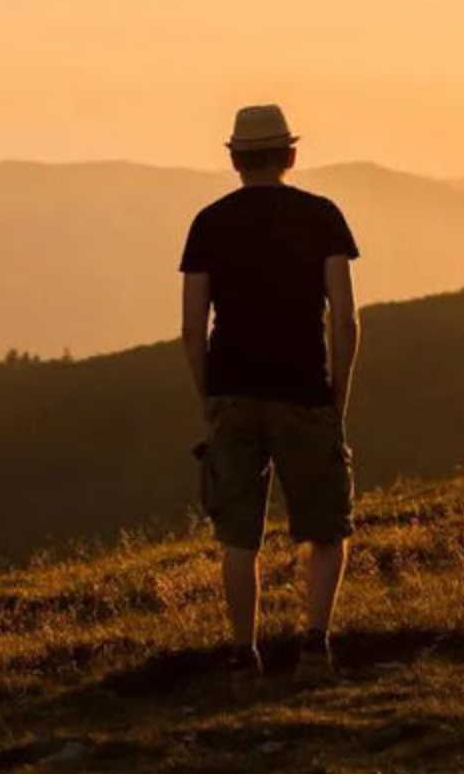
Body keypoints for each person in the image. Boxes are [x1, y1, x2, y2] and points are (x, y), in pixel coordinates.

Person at [179, 103, 360, 690]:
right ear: (290, 155)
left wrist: (212, 397)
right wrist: (337, 399)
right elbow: (346, 321)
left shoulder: (208, 223)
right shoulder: (323, 217)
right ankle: (313, 647)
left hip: (232, 391)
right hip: (305, 389)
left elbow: (190, 327)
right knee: (327, 528)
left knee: (238, 537)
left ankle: (242, 658)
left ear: (234, 159)